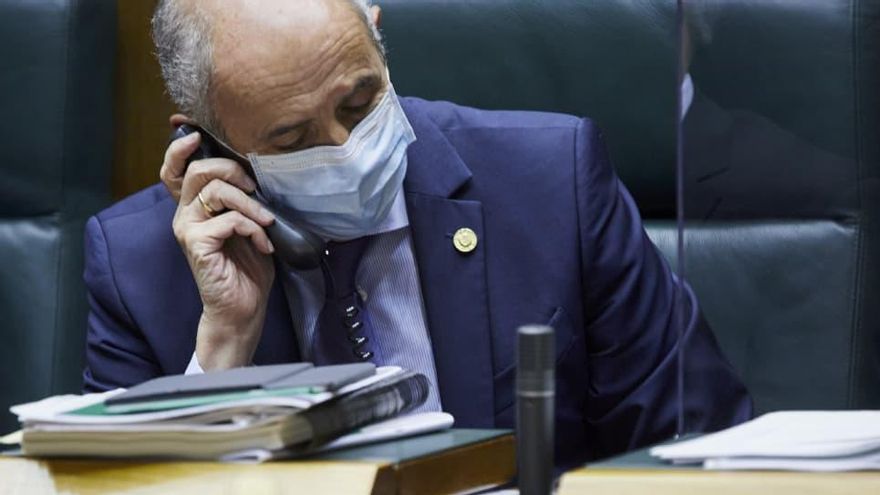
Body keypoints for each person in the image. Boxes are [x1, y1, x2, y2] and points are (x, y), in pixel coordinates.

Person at [82, 0, 751, 467]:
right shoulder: (137, 266)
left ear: (377, 37)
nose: (346, 147)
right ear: (206, 140)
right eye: (291, 138)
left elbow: (698, 447)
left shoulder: (553, 183)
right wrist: (223, 344)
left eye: (359, 102)